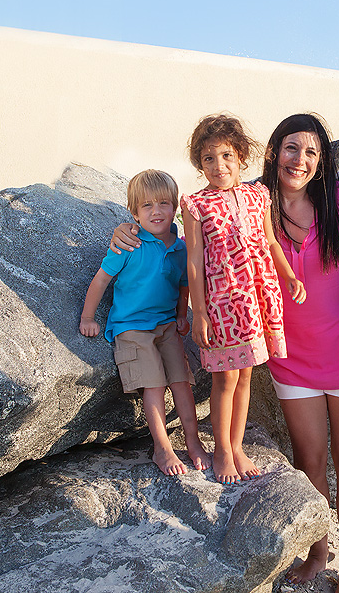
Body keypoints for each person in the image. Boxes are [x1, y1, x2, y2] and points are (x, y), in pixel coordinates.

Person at [262, 114, 339, 593]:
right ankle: (318, 554)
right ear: (273, 152)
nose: (299, 160)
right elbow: (193, 219)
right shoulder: (254, 203)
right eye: (291, 148)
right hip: (290, 358)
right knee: (309, 460)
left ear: (322, 160)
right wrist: (131, 227)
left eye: (310, 152)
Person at [181, 114, 305, 485]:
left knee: (246, 374)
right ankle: (221, 448)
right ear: (199, 163)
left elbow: (270, 240)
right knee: (225, 378)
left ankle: (236, 446)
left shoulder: (258, 194)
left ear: (241, 157)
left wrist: (289, 275)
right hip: (222, 303)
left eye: (226, 156)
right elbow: (194, 261)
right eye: (208, 159)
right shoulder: (195, 205)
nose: (218, 166)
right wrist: (199, 312)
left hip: (255, 299)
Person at [79, 169, 210, 476]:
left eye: (163, 203)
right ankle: (162, 449)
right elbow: (101, 280)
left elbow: (183, 284)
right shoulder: (129, 244)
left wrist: (181, 315)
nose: (156, 211)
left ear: (175, 207)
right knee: (153, 383)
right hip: (132, 326)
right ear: (134, 212)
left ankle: (193, 441)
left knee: (181, 380)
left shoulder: (180, 249)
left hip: (165, 325)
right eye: (147, 206)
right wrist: (88, 317)